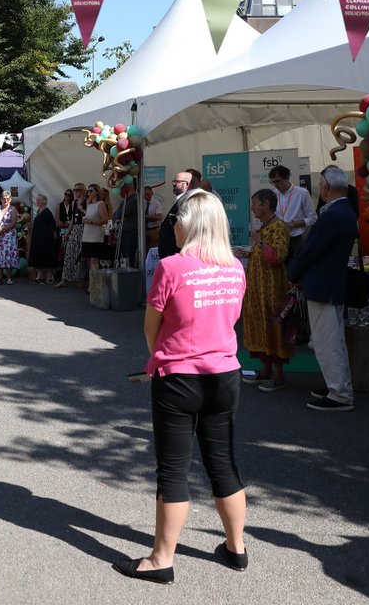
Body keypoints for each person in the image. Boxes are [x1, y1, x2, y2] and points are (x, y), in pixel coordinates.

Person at [114, 191, 247, 584]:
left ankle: (161, 559)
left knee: (172, 469)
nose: (173, 224)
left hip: (179, 377)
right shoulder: (235, 268)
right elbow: (230, 319)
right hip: (224, 373)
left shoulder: (171, 267)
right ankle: (236, 547)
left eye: (178, 218)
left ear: (191, 223)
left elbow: (149, 326)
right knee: (222, 463)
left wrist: (162, 356)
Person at [287, 167, 358, 412]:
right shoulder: (345, 211)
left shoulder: (332, 215)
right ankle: (338, 386)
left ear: (326, 186)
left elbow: (312, 251)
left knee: (326, 340)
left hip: (323, 284)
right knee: (333, 339)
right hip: (331, 282)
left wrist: (294, 273)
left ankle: (339, 392)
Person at [238, 189, 292, 391]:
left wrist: (258, 241)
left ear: (266, 203)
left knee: (274, 326)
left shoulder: (278, 227)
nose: (252, 207)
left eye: (255, 203)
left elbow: (277, 256)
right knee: (262, 324)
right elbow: (263, 254)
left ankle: (278, 375)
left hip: (272, 287)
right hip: (258, 287)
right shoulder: (265, 226)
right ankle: (266, 369)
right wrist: (248, 252)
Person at [269, 165, 315, 261]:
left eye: (278, 181)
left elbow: (313, 219)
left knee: (297, 268)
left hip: (297, 238)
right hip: (278, 238)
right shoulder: (273, 194)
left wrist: (293, 223)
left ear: (287, 178)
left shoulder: (302, 193)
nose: (275, 185)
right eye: (273, 182)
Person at [157, 171, 193, 259]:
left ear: (186, 184)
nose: (173, 184)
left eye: (177, 182)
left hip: (176, 253)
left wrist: (173, 250)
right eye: (174, 181)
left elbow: (182, 228)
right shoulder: (180, 201)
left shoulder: (186, 202)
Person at [56, 184, 86, 288]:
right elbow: (73, 219)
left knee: (81, 256)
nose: (76, 192)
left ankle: (80, 279)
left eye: (78, 190)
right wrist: (68, 233)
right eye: (75, 190)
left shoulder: (86, 202)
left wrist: (83, 210)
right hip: (75, 229)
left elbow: (88, 215)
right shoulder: (74, 203)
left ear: (83, 190)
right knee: (69, 253)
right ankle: (65, 278)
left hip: (84, 228)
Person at [79, 183, 111, 283]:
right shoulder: (89, 205)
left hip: (96, 234)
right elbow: (88, 217)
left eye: (91, 191)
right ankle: (92, 281)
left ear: (97, 192)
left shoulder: (100, 204)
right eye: (88, 191)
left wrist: (92, 222)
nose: (89, 193)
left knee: (94, 259)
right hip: (87, 233)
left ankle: (96, 283)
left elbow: (105, 220)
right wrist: (86, 220)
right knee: (88, 259)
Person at [28, 193, 58, 284]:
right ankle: (40, 275)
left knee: (46, 256)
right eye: (37, 199)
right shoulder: (38, 211)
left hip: (46, 238)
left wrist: (48, 234)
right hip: (38, 237)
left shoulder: (47, 211)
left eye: (39, 200)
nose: (37, 201)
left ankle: (49, 277)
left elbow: (53, 224)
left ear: (44, 201)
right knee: (39, 255)